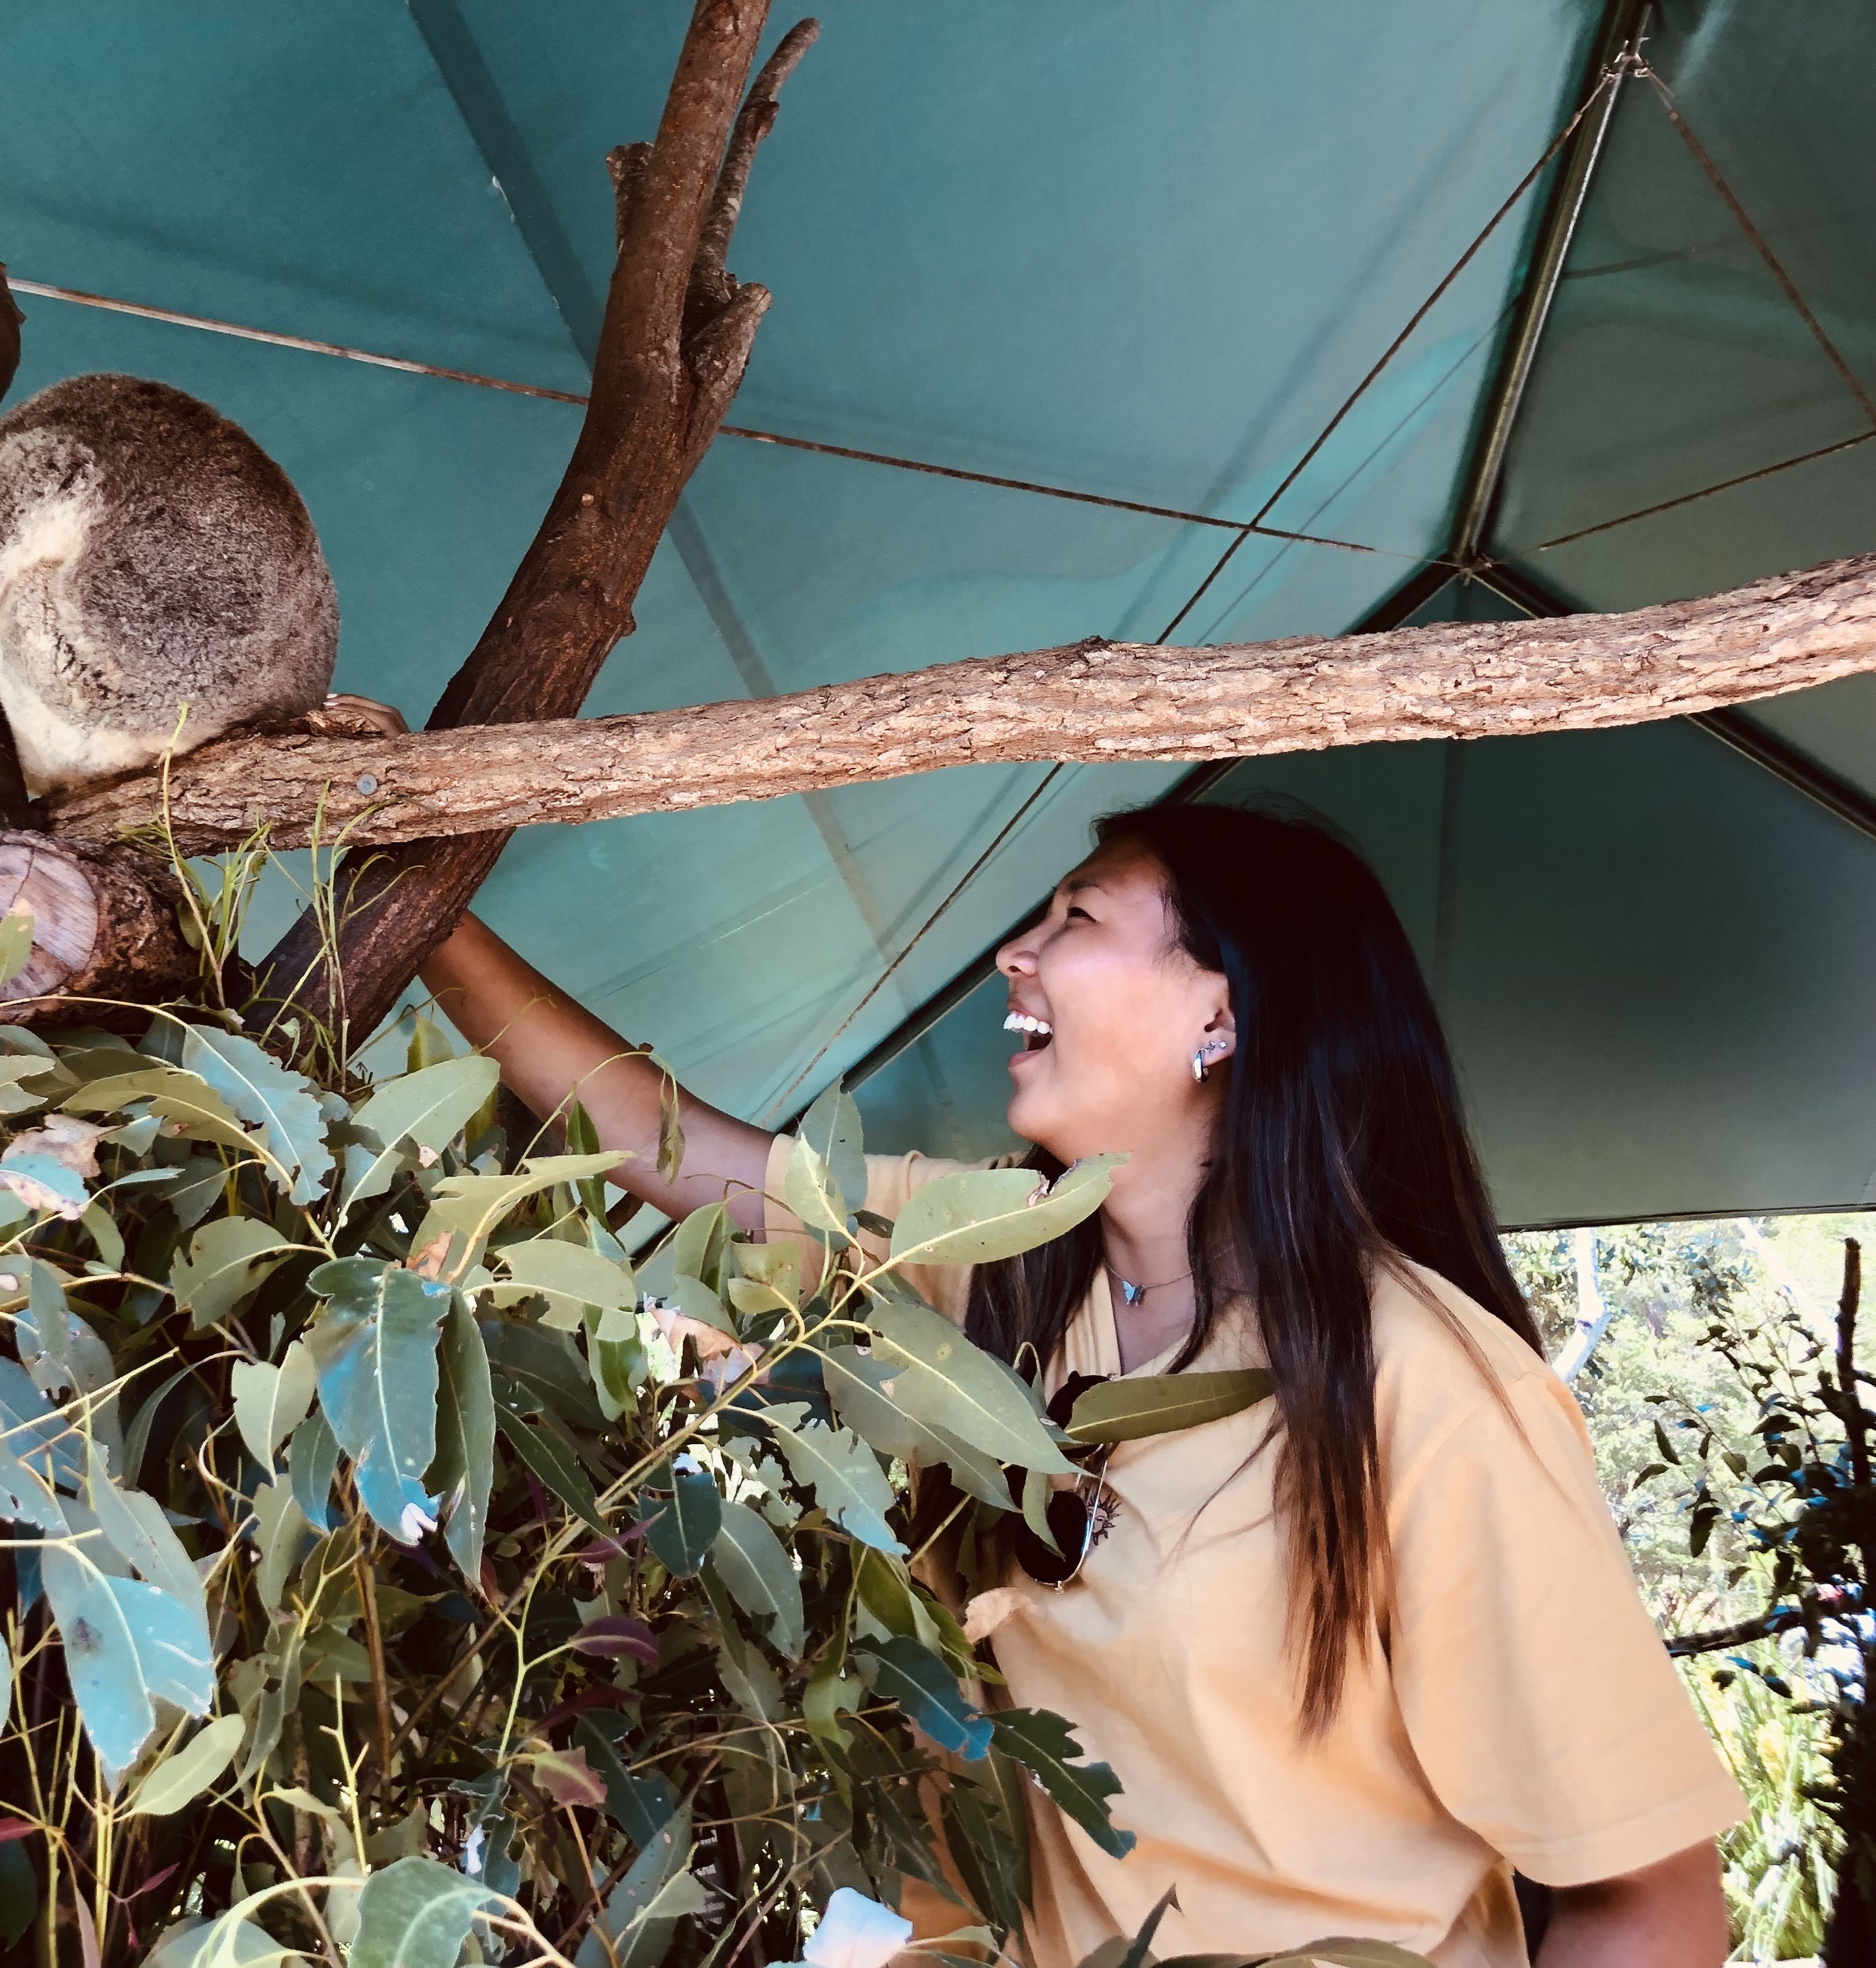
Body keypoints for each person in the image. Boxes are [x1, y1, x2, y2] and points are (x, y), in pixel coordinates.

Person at [416, 801, 1743, 1968]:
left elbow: (1653, 1903)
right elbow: (663, 1142)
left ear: (1219, 1014)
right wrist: (421, 890)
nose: (1018, 950)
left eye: (1080, 916)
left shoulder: (1425, 1389)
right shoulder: (994, 1267)